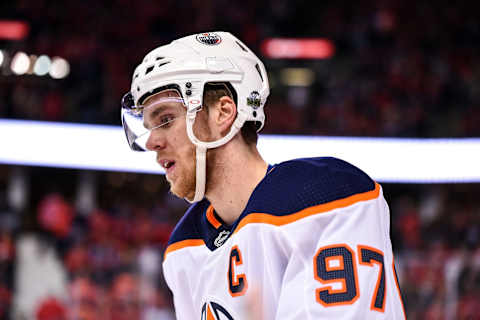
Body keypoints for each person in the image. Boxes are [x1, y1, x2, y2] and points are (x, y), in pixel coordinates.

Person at [121, 31, 405, 319]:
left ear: (223, 113)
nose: (151, 141)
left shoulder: (323, 198)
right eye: (149, 126)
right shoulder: (184, 246)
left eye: (165, 119)